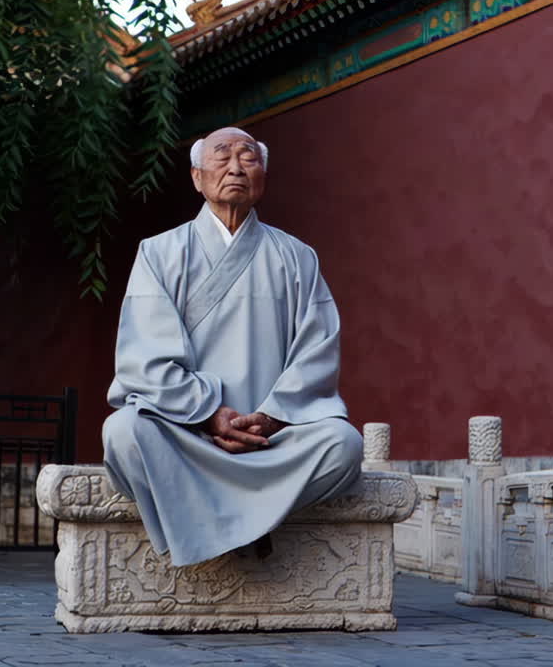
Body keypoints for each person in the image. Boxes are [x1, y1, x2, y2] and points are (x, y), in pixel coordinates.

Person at [102, 126, 363, 567]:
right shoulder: (159, 252)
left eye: (249, 157)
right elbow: (143, 356)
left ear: (262, 176)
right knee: (122, 434)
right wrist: (207, 415)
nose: (237, 167)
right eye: (222, 156)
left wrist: (271, 416)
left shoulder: (298, 256)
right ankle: (250, 526)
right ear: (197, 177)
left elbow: (317, 349)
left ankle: (218, 522)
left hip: (269, 444)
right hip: (188, 434)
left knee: (344, 444)